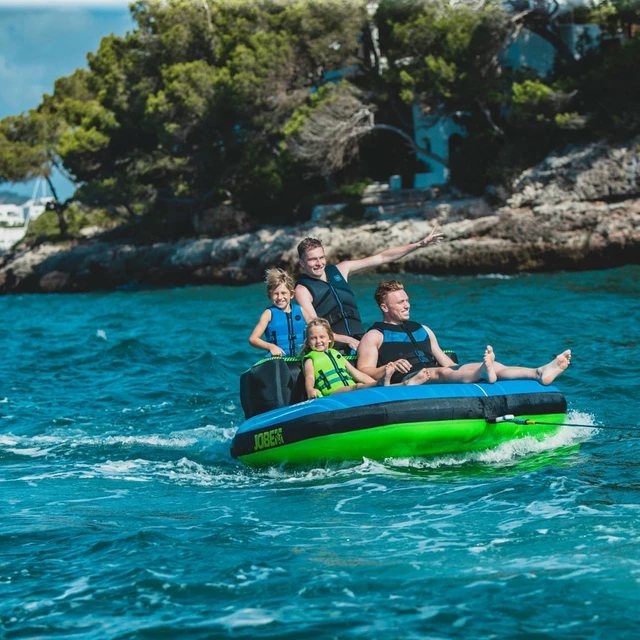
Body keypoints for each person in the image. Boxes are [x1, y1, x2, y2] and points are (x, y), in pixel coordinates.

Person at [357, 280, 572, 386]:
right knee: (440, 373)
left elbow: (445, 362)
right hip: (411, 379)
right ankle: (483, 372)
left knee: (488, 366)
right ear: (384, 307)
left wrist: (461, 370)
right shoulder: (374, 335)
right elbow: (364, 371)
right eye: (400, 302)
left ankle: (538, 372)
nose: (407, 305)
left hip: (435, 372)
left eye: (407, 300)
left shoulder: (423, 329)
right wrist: (390, 367)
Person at [295, 228, 444, 354]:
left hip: (360, 340)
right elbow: (316, 329)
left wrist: (419, 245)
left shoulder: (341, 270)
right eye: (312, 259)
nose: (319, 263)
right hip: (334, 347)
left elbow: (382, 257)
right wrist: (347, 340)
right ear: (302, 263)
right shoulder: (302, 290)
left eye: (321, 257)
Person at [302, 318, 424, 399]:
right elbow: (309, 377)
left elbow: (356, 373)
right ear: (308, 341)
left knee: (369, 385)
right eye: (313, 338)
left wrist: (374, 382)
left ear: (330, 338)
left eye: (322, 337)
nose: (318, 341)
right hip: (332, 393)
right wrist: (310, 389)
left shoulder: (336, 355)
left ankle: (405, 384)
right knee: (358, 386)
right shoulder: (310, 359)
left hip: (348, 388)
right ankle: (382, 384)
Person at [249, 268, 311, 357]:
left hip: (300, 357)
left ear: (291, 294)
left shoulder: (301, 310)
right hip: (278, 359)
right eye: (275, 294)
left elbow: (314, 329)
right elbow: (253, 339)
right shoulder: (268, 314)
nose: (279, 297)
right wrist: (271, 347)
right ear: (270, 295)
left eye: (283, 293)